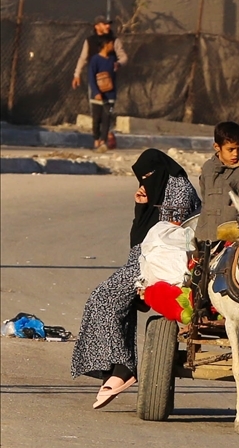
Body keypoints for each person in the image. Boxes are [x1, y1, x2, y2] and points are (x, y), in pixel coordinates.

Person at [72, 149, 201, 408]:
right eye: (141, 178)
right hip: (144, 258)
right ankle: (119, 368)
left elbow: (166, 236)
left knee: (105, 297)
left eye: (149, 176)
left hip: (163, 262)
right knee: (108, 299)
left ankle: (121, 370)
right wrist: (142, 205)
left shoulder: (179, 189)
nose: (145, 181)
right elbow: (141, 232)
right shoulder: (158, 185)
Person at [196, 121, 239, 243]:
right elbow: (205, 198)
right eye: (231, 149)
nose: (235, 154)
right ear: (217, 147)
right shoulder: (208, 168)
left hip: (232, 236)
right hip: (205, 233)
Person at [73, 16, 128, 148]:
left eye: (109, 24)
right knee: (96, 113)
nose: (108, 26)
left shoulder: (114, 41)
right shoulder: (90, 41)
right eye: (104, 24)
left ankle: (105, 138)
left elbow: (123, 56)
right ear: (97, 26)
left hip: (109, 85)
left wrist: (118, 64)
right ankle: (97, 138)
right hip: (95, 83)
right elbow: (83, 58)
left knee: (107, 113)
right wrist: (77, 74)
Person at [87, 35, 118, 152]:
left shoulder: (112, 59)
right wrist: (96, 92)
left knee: (107, 119)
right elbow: (91, 77)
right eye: (111, 43)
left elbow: (114, 78)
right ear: (105, 44)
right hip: (98, 96)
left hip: (109, 97)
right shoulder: (95, 59)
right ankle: (96, 139)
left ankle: (103, 142)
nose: (112, 46)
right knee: (96, 119)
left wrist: (114, 94)